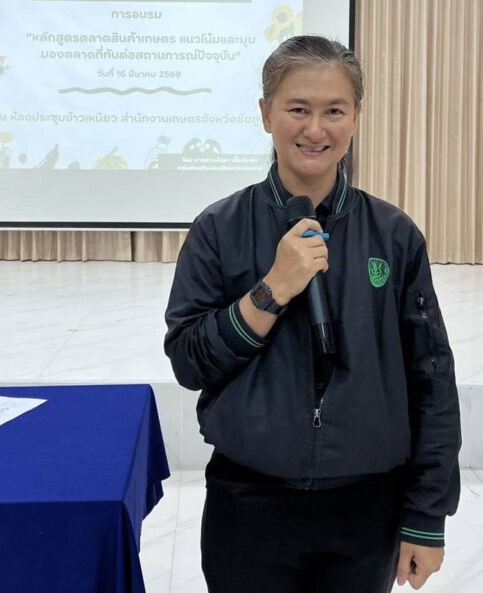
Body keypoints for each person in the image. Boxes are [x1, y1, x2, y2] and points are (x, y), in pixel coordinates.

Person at [164, 35, 461, 592]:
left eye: (334, 111)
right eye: (298, 109)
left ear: (356, 118)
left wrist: (427, 514)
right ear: (266, 114)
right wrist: (273, 289)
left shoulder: (394, 235)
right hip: (248, 502)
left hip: (367, 505)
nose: (315, 130)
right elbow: (189, 361)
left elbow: (432, 377)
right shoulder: (219, 228)